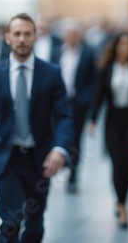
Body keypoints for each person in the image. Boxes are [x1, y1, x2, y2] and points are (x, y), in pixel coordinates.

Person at [0, 13, 74, 243]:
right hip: (6, 160)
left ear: (35, 37)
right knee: (9, 224)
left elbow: (64, 116)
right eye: (16, 34)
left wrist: (59, 149)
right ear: (7, 38)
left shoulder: (50, 73)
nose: (21, 39)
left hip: (40, 161)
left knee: (35, 224)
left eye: (27, 34)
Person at [87, 32, 128, 229]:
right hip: (113, 120)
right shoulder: (106, 68)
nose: (125, 48)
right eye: (122, 44)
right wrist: (93, 120)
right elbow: (99, 95)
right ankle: (119, 201)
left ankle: (123, 204)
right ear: (115, 46)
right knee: (117, 163)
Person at [51, 20, 97, 193]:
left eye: (74, 34)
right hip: (59, 102)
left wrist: (87, 100)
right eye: (68, 33)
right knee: (59, 134)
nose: (71, 37)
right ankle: (61, 162)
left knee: (76, 138)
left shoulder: (88, 53)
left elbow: (93, 80)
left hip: (78, 103)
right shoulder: (56, 53)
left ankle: (73, 176)